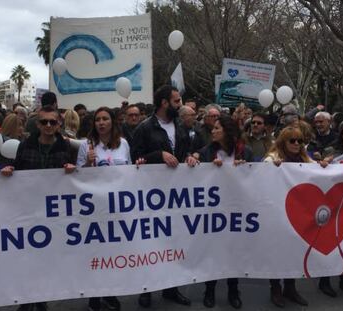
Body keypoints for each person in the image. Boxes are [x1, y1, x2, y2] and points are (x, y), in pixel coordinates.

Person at [0, 105, 77, 311]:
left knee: (46, 259)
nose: (48, 125)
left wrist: (71, 170)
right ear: (38, 124)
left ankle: (41, 298)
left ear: (59, 124)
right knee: (27, 258)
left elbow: (73, 179)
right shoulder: (25, 146)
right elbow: (17, 169)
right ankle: (27, 299)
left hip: (54, 214)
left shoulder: (66, 147)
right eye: (44, 122)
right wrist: (10, 170)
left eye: (53, 122)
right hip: (28, 210)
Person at [131, 85, 191, 308]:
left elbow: (185, 154)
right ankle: (147, 288)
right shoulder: (145, 128)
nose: (180, 104)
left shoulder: (181, 127)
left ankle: (171, 288)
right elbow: (135, 158)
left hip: (176, 196)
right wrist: (159, 155)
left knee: (174, 241)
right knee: (150, 242)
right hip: (151, 195)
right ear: (164, 103)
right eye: (176, 101)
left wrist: (191, 158)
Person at [264, 126, 328, 308]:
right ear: (283, 142)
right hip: (276, 214)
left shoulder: (305, 160)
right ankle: (275, 288)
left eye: (300, 141)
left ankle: (290, 288)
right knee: (276, 252)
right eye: (292, 140)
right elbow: (261, 178)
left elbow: (318, 173)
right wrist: (271, 169)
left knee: (294, 250)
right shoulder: (272, 159)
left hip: (298, 215)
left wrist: (323, 166)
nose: (296, 144)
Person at [197, 114, 252, 310]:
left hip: (237, 211)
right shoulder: (206, 152)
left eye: (217, 128)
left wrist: (245, 168)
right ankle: (209, 290)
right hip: (213, 212)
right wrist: (204, 166)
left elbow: (258, 175)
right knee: (212, 251)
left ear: (227, 131)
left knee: (233, 251)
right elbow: (195, 176)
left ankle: (233, 290)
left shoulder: (245, 151)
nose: (212, 131)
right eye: (212, 128)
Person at [76, 107, 129, 311]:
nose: (101, 123)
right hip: (94, 208)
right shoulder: (86, 146)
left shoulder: (123, 144)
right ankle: (94, 296)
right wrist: (88, 163)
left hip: (116, 208)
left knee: (113, 253)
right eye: (98, 119)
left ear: (112, 122)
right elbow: (77, 178)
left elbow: (129, 172)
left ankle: (110, 292)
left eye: (105, 119)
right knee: (95, 254)